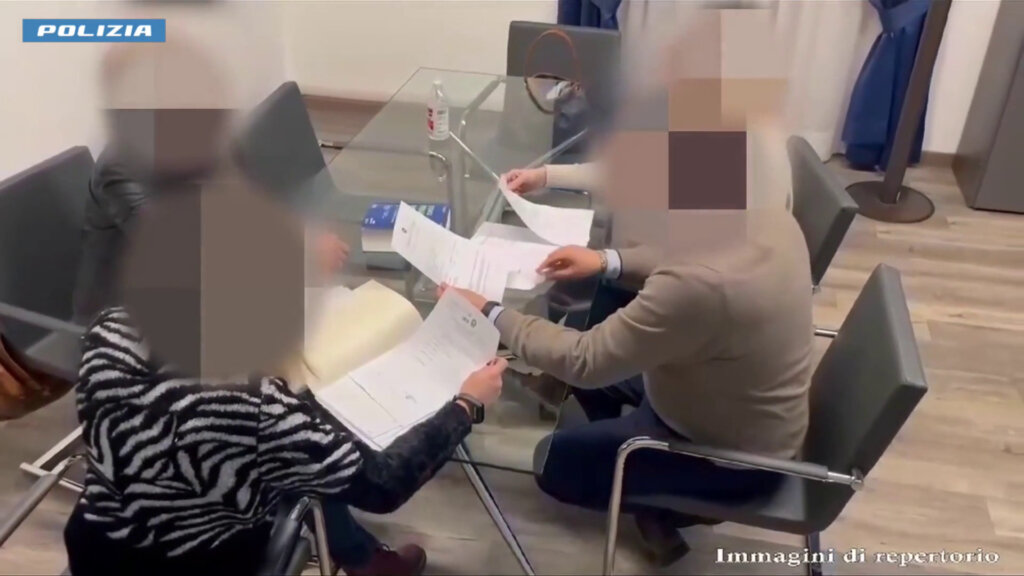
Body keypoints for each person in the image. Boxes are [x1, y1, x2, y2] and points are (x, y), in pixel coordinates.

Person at [443, 155, 813, 563]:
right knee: (595, 362)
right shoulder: (767, 215)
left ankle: (664, 501)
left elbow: (585, 360)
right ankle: (636, 470)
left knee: (554, 463)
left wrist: (490, 311)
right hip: (732, 402)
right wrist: (608, 261)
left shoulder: (697, 284)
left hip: (731, 460)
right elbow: (682, 257)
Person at [65, 305, 507, 576]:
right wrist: (465, 405)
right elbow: (383, 484)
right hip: (204, 560)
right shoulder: (255, 404)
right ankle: (363, 558)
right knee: (308, 468)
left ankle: (361, 556)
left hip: (99, 546)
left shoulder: (109, 328)